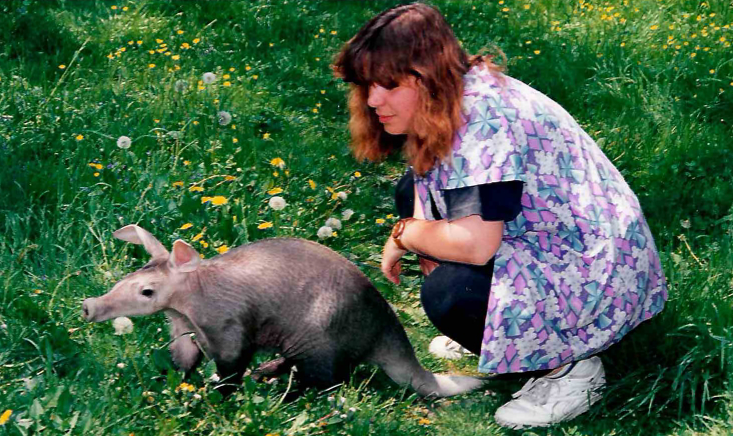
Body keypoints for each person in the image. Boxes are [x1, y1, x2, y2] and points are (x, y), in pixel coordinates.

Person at [332, 3, 668, 429]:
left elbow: (474, 246)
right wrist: (418, 228)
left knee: (451, 295)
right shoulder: (451, 94)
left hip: (599, 276)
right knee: (412, 199)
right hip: (564, 244)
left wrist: (407, 235)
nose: (373, 99)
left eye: (388, 85)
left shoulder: (483, 121)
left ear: (427, 77)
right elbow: (423, 177)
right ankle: (503, 334)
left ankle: (569, 371)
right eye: (367, 85)